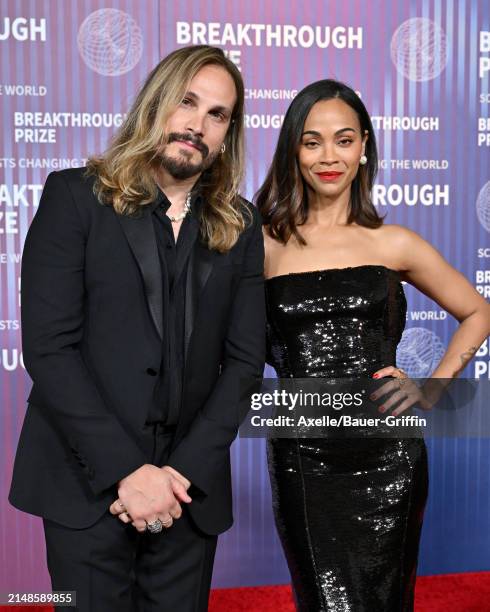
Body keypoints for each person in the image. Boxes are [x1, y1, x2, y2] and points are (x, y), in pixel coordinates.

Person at [9, 45, 265, 612]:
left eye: (217, 114)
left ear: (227, 133)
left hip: (187, 494)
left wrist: (177, 476)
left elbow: (246, 361)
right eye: (186, 101)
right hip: (86, 483)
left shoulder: (240, 225)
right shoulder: (75, 196)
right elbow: (50, 348)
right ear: (156, 104)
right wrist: (129, 475)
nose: (196, 124)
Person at [255, 79, 490, 611]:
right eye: (312, 141)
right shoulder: (264, 244)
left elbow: (479, 312)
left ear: (364, 148)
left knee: (387, 599)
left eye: (343, 139)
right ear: (294, 150)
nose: (328, 156)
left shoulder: (394, 242)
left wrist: (431, 388)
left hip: (390, 455)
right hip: (304, 457)